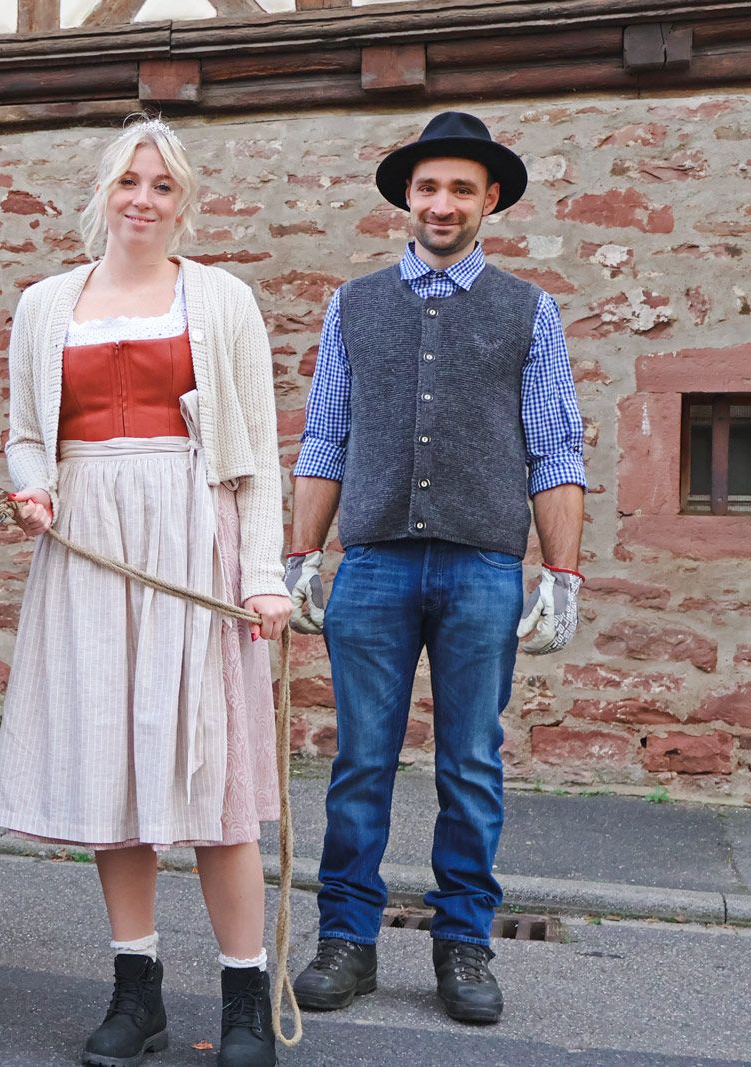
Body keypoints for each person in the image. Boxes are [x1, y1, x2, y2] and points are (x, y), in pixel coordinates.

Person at [0, 117, 293, 1067]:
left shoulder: (222, 299)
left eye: (163, 186)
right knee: (114, 769)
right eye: (130, 181)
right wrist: (33, 482)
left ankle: (244, 994)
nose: (144, 199)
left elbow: (256, 455)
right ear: (104, 193)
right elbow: (28, 431)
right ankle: (138, 990)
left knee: (210, 774)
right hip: (86, 548)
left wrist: (261, 576)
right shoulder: (44, 305)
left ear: (182, 201)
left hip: (189, 539)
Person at [286, 111, 586, 1026]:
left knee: (469, 763)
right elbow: (325, 436)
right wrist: (300, 554)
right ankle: (347, 938)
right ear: (406, 200)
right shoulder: (354, 305)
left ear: (490, 199)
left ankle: (464, 942)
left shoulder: (529, 308)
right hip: (371, 565)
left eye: (462, 187)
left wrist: (560, 574)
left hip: (482, 569)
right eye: (428, 187)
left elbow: (557, 447)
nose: (443, 202)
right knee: (359, 762)